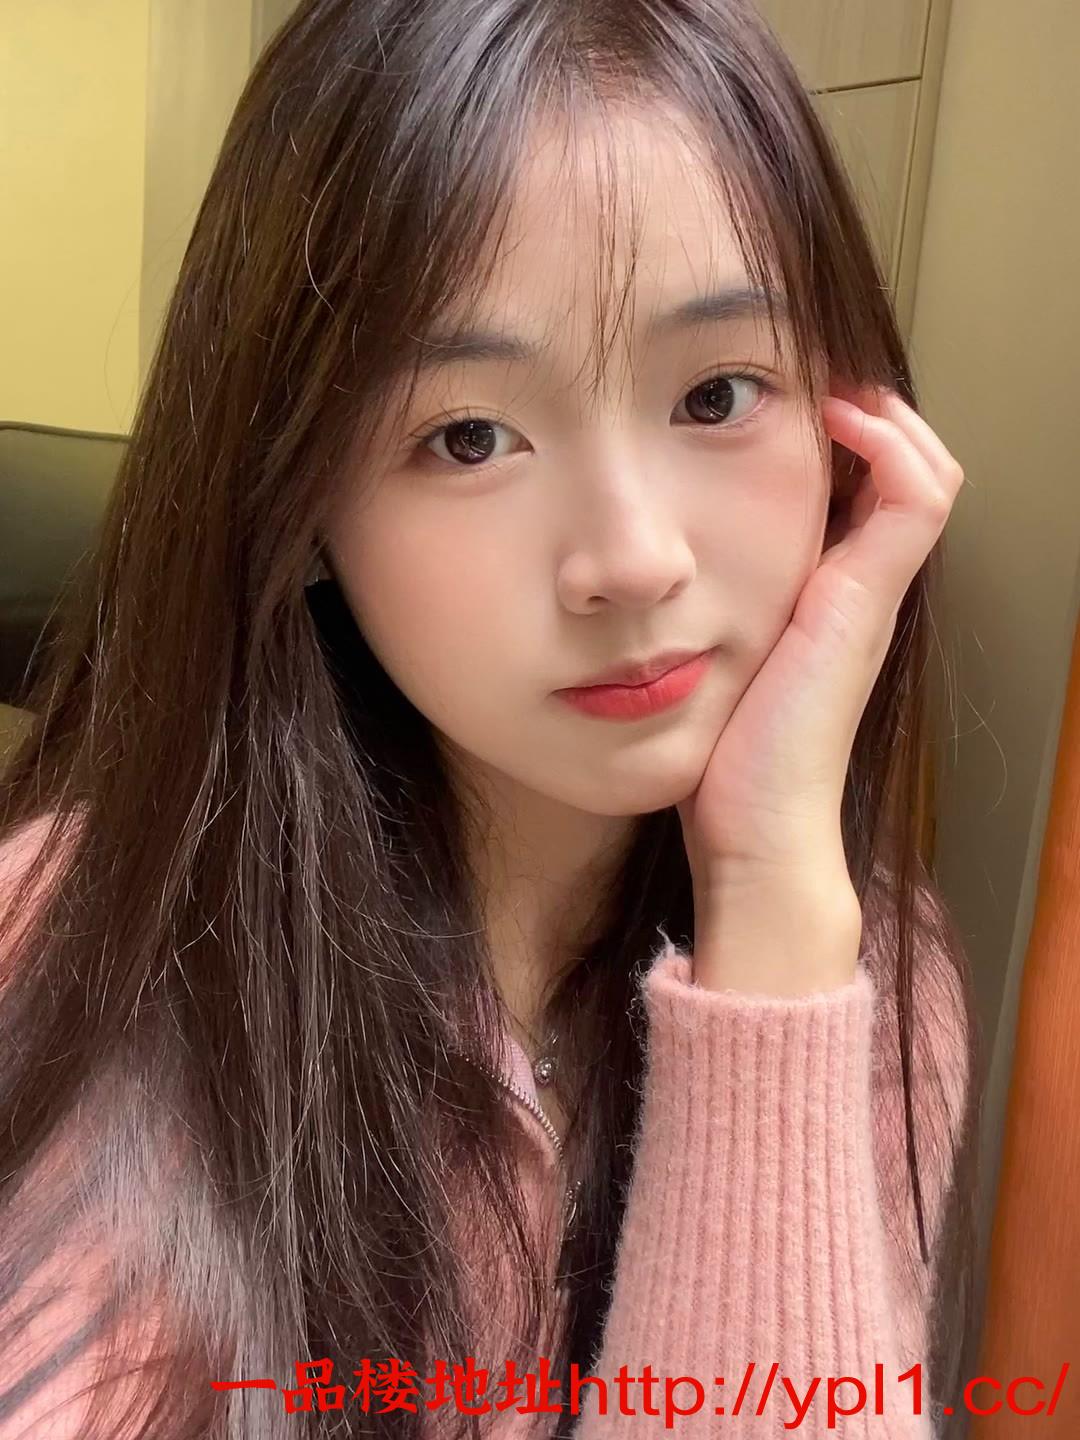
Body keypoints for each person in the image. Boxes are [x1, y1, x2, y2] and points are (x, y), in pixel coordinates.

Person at [0, 0, 982, 1435]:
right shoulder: (70, 953)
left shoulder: (872, 983)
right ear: (300, 501)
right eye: (469, 436)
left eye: (719, 393)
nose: (632, 558)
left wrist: (771, 916)